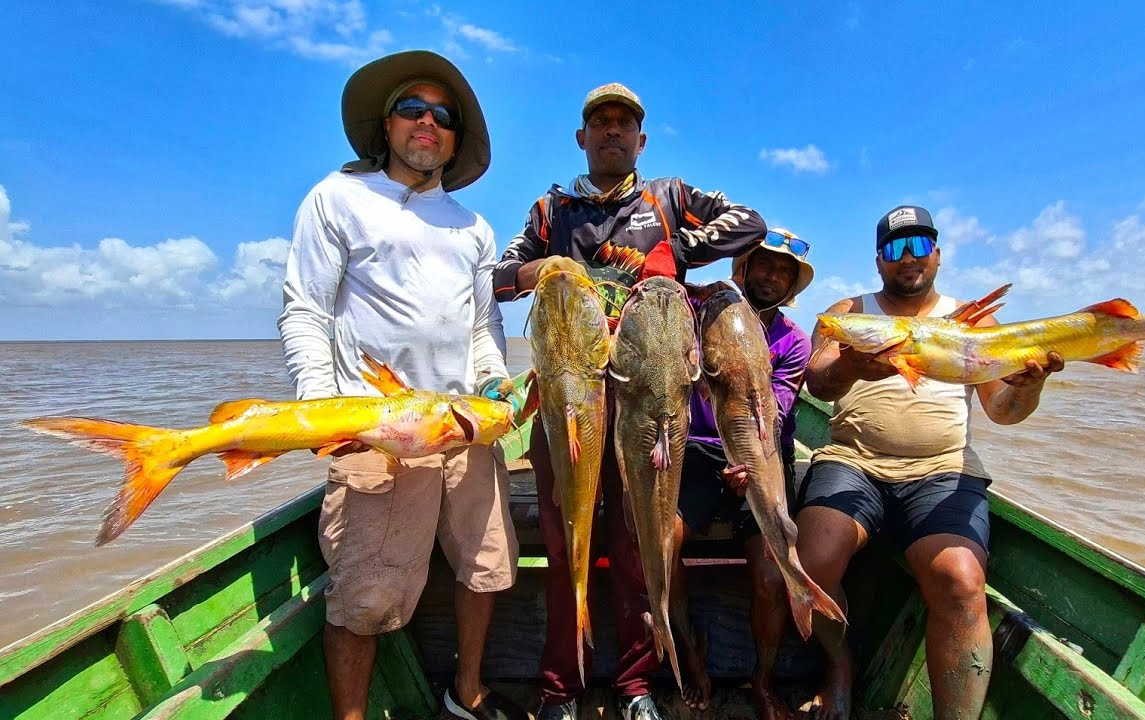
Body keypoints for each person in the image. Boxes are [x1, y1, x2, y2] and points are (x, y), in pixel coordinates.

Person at [494, 83, 768, 720]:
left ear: (641, 141)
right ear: (581, 138)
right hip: (571, 397)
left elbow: (750, 222)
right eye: (601, 123)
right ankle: (561, 685)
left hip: (651, 400)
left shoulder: (669, 198)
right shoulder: (549, 210)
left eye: (625, 125)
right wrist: (543, 270)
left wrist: (682, 252)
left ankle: (635, 683)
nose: (613, 132)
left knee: (640, 544)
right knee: (569, 545)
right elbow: (498, 278)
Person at [278, 50, 524, 720]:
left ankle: (465, 690)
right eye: (411, 110)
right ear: (385, 126)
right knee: (365, 596)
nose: (427, 122)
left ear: (455, 136)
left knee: (488, 567)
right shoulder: (338, 197)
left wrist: (495, 379)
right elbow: (307, 307)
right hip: (377, 428)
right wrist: (317, 406)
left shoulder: (473, 227)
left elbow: (482, 326)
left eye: (442, 115)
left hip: (463, 425)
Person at [799, 205, 1064, 720]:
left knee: (961, 582)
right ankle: (839, 668)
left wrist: (1031, 387)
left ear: (937, 254)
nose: (908, 258)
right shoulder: (849, 311)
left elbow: (1004, 411)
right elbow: (820, 381)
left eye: (919, 245)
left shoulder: (973, 324)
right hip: (852, 461)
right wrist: (852, 362)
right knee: (811, 565)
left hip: (942, 469)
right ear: (879, 260)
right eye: (895, 248)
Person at [669, 228, 815, 720]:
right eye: (764, 264)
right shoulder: (702, 315)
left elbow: (773, 413)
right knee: (660, 542)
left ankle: (764, 680)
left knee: (773, 576)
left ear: (792, 284)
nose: (772, 276)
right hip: (701, 453)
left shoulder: (793, 342)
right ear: (745, 268)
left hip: (764, 457)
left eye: (783, 271)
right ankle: (691, 656)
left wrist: (750, 464)